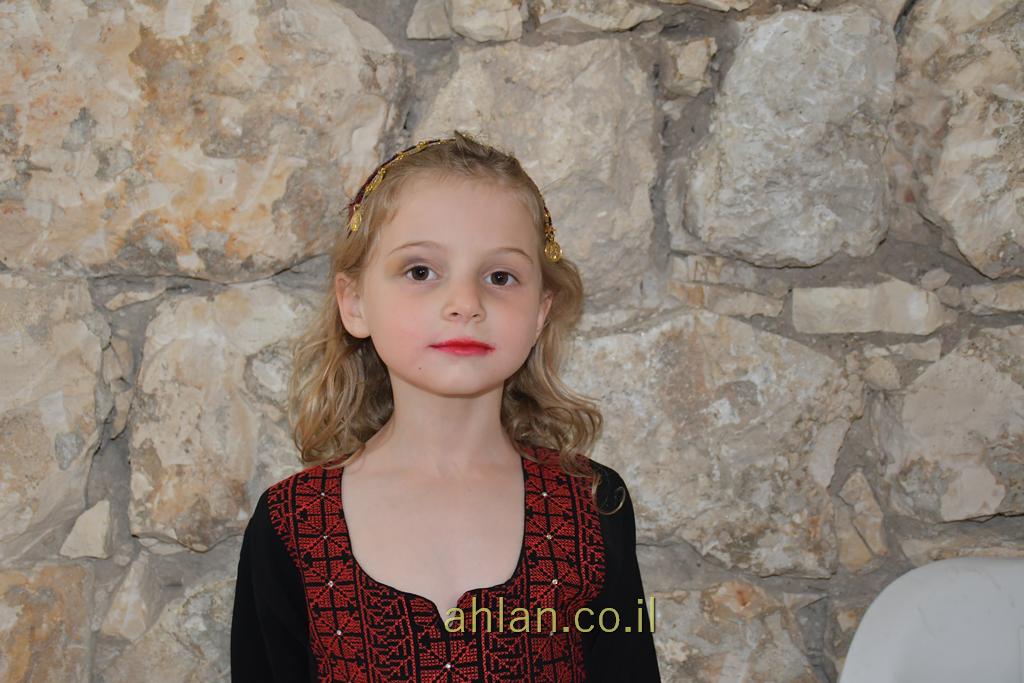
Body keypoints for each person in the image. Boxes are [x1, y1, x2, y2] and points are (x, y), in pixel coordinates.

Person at [230, 132, 661, 682]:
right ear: (354, 303)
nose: (465, 304)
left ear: (540, 312)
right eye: (420, 271)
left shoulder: (595, 507)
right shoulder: (290, 525)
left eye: (500, 277)